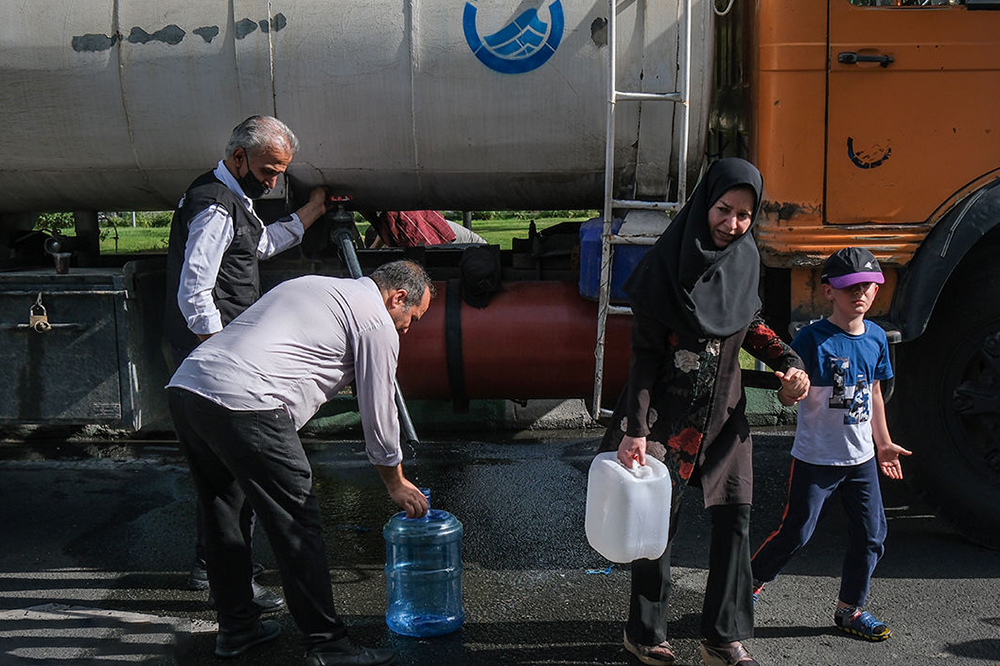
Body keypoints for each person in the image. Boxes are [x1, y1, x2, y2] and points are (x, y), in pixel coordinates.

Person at [597, 158, 810, 666]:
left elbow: (750, 325)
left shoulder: (745, 259)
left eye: (744, 214)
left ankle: (723, 638)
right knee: (657, 527)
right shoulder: (664, 269)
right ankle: (645, 633)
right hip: (666, 420)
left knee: (735, 521)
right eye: (723, 209)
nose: (732, 224)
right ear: (704, 204)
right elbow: (644, 359)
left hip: (726, 416)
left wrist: (789, 362)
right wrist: (636, 429)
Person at [167, 259, 433, 665]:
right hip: (249, 401)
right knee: (297, 524)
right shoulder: (375, 321)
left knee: (224, 512)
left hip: (190, 387)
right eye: (412, 317)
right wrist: (395, 481)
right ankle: (328, 645)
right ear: (397, 297)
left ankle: (237, 629)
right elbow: (380, 412)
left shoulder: (316, 284)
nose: (409, 328)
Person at [163, 115, 331, 609]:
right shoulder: (215, 206)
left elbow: (256, 246)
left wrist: (311, 212)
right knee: (232, 476)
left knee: (225, 475)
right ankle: (222, 577)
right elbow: (195, 291)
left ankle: (218, 568)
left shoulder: (228, 196)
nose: (273, 181)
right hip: (217, 360)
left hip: (217, 358)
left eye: (280, 172)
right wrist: (221, 355)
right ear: (239, 158)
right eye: (267, 171)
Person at [750, 247, 912, 642]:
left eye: (868, 287)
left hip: (861, 460)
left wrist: (885, 443)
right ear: (829, 292)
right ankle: (744, 588)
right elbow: (789, 396)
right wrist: (789, 390)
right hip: (816, 458)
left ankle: (850, 609)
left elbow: (874, 393)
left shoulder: (876, 337)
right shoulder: (810, 339)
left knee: (872, 534)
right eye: (850, 287)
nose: (860, 294)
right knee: (796, 533)